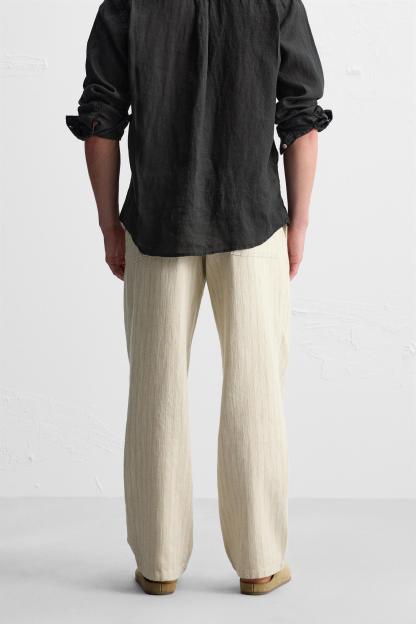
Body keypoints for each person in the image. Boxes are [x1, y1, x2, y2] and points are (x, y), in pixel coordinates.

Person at [66, 0, 332, 596]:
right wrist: (298, 225)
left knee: (154, 391)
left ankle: (158, 563)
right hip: (252, 217)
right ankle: (259, 561)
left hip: (158, 221)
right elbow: (301, 119)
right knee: (257, 392)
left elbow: (101, 120)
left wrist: (109, 225)